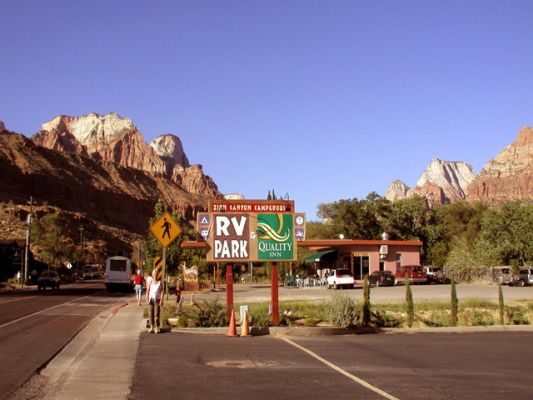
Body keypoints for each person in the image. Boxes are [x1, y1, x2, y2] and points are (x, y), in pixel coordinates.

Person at [146, 269, 163, 334]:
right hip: (150, 300)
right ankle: (151, 327)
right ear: (152, 275)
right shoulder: (150, 282)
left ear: (157, 275)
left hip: (157, 300)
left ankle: (157, 327)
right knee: (150, 313)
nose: (155, 275)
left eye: (156, 274)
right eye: (154, 274)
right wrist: (147, 299)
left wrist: (161, 300)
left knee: (156, 314)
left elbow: (162, 291)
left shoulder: (159, 282)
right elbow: (147, 291)